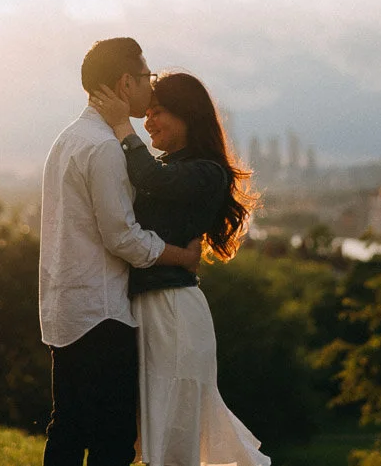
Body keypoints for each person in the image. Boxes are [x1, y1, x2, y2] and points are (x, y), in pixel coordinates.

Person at [90, 70, 269, 466]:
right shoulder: (173, 167)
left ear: (188, 115)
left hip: (173, 311)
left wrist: (122, 124)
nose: (148, 122)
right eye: (147, 113)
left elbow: (149, 176)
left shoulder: (206, 171)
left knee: (174, 430)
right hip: (153, 307)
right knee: (158, 426)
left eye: (158, 112)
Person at [40, 37, 203, 466]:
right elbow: (123, 238)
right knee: (113, 437)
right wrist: (182, 256)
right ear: (125, 82)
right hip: (102, 311)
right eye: (147, 78)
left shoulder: (66, 139)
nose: (152, 88)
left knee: (68, 425)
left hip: (64, 307)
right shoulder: (103, 148)